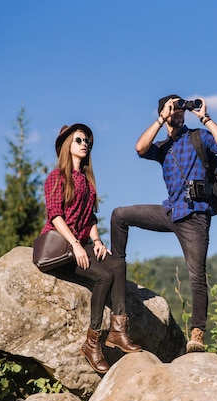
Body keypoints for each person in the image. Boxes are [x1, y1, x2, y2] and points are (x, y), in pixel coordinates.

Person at [111, 95, 217, 353]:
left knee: (196, 275)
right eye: (174, 106)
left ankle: (197, 334)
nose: (179, 110)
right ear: (164, 112)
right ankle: (115, 267)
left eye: (181, 107)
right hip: (171, 211)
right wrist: (160, 119)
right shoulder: (162, 147)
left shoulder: (198, 137)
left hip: (196, 216)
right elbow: (139, 148)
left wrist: (204, 117)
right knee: (120, 214)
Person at [40, 123, 142, 374]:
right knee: (104, 275)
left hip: (82, 244)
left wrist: (96, 241)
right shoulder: (57, 177)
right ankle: (92, 342)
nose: (84, 144)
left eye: (87, 141)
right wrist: (75, 244)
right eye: (78, 140)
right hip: (62, 247)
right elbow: (55, 215)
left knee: (117, 263)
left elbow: (90, 218)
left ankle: (118, 331)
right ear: (67, 145)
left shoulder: (86, 181)